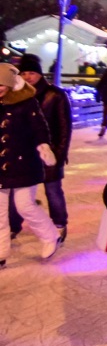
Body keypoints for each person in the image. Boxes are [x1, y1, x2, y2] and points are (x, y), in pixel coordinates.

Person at [7, 54, 72, 245]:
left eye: (32, 72)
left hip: (49, 153)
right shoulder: (16, 96)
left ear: (40, 74)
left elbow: (64, 127)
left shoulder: (55, 95)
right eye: (24, 73)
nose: (28, 77)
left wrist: (59, 154)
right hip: (24, 155)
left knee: (53, 191)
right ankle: (13, 225)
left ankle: (59, 223)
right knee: (18, 194)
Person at [0, 63, 60, 267]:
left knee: (24, 205)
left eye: (2, 84)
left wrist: (44, 146)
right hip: (0, 166)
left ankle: (50, 236)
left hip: (24, 163)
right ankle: (0, 252)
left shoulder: (26, 103)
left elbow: (40, 128)